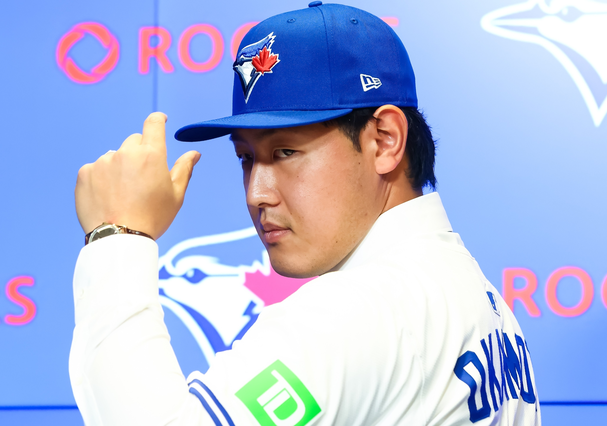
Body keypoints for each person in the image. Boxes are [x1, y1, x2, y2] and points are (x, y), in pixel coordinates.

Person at [71, 2, 541, 425]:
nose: (256, 193)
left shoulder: (363, 309)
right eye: (246, 158)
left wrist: (117, 238)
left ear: (384, 141)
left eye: (286, 152)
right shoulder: (467, 288)